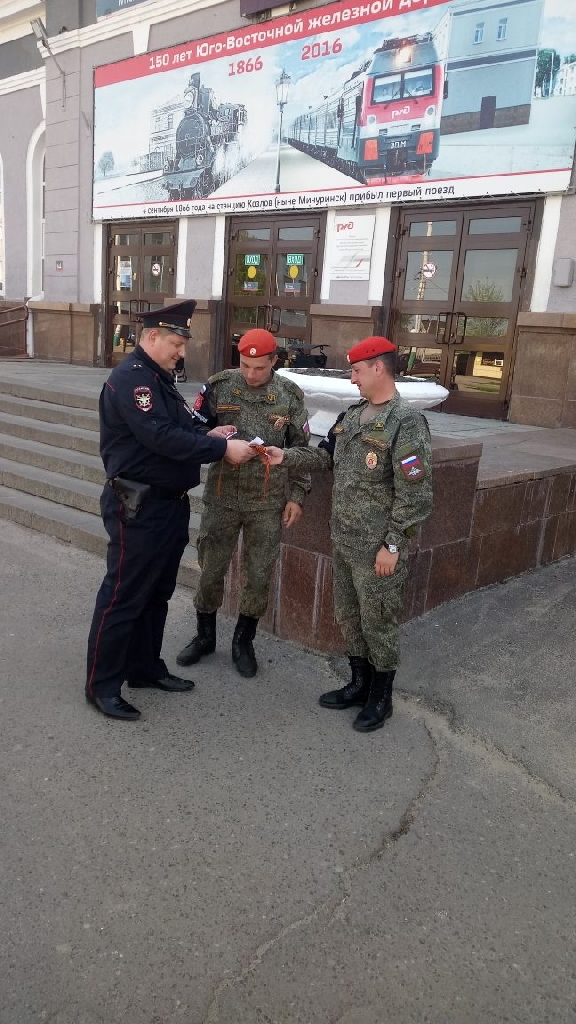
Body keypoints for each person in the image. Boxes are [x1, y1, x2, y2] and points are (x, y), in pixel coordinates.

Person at [85, 300, 256, 720]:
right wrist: (220, 450)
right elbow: (160, 436)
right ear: (153, 337)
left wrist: (209, 432)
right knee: (123, 597)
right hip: (139, 507)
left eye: (183, 345)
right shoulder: (132, 379)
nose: (181, 353)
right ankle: (101, 685)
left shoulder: (157, 377)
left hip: (167, 505)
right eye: (176, 344)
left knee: (156, 593)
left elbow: (180, 423)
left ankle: (144, 668)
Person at [266, 336, 433, 733]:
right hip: (344, 540)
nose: (353, 378)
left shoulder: (406, 422)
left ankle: (380, 696)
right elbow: (324, 456)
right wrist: (284, 455)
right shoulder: (351, 416)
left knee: (378, 621)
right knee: (349, 615)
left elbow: (416, 494)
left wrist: (393, 544)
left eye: (356, 370)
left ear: (378, 367)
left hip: (378, 548)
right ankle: (359, 684)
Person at [176, 328, 311, 678]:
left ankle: (243, 642)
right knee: (210, 569)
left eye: (259, 367)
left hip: (266, 501)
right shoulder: (219, 386)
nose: (251, 374)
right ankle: (205, 636)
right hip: (222, 497)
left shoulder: (290, 395)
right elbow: (192, 430)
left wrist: (297, 496)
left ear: (274, 361)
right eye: (245, 365)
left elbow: (302, 450)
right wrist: (212, 438)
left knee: (259, 575)